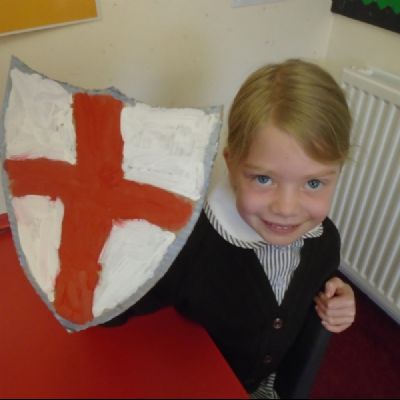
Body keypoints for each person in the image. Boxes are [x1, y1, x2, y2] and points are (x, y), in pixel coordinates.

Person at [105, 59, 356, 398]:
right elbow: (118, 305)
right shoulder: (191, 247)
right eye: (263, 179)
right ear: (232, 164)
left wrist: (337, 295)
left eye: (313, 183)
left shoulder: (325, 240)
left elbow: (317, 286)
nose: (286, 208)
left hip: (267, 386)